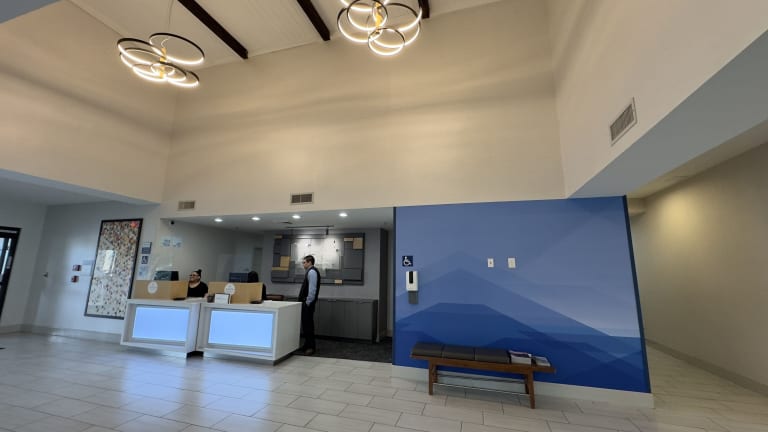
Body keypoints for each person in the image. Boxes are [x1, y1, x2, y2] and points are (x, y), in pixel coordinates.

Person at [298, 255, 320, 355]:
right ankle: (307, 345)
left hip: (308, 304)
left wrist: (307, 302)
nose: (303, 264)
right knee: (306, 325)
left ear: (310, 262)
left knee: (308, 326)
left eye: (304, 262)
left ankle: (311, 347)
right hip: (307, 303)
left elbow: (312, 290)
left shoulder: (312, 272)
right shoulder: (310, 272)